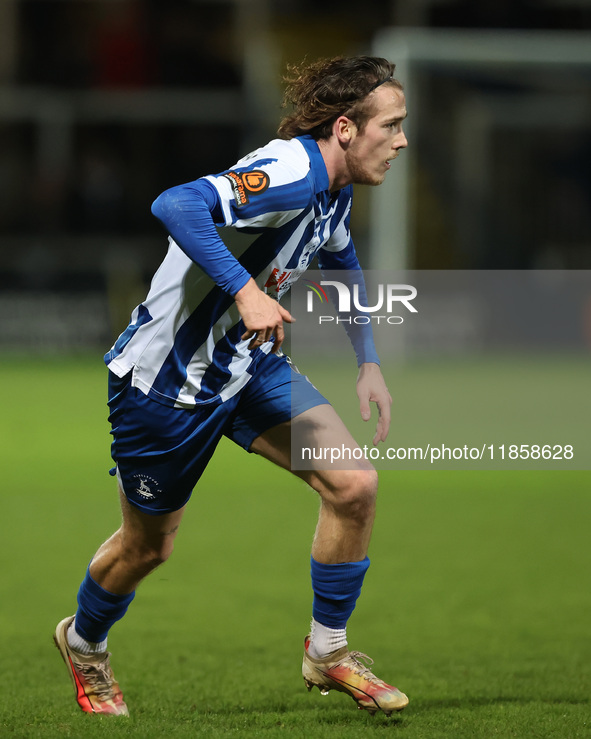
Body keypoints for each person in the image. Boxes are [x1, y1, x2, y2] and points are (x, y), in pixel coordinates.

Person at [53, 55, 409, 717]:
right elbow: (176, 202)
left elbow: (342, 260)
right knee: (147, 547)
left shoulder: (334, 186)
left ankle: (327, 651)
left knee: (354, 484)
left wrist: (367, 359)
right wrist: (246, 292)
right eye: (390, 125)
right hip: (167, 388)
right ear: (343, 129)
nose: (400, 139)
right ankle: (84, 641)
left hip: (248, 366)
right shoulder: (290, 173)